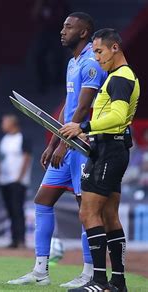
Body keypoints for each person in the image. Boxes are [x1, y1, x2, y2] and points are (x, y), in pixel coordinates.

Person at [8, 12, 107, 288]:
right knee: (42, 200)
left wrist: (63, 143)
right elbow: (68, 104)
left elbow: (83, 108)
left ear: (84, 32)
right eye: (63, 26)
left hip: (85, 146)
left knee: (86, 209)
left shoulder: (91, 62)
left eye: (68, 27)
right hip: (66, 142)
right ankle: (41, 270)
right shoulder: (73, 62)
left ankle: (89, 272)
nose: (62, 31)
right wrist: (53, 140)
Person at [60, 28, 140, 292]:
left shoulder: (120, 78)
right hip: (110, 149)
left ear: (115, 48)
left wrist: (84, 126)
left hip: (109, 150)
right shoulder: (120, 76)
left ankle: (99, 281)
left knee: (88, 212)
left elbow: (117, 117)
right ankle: (117, 282)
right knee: (108, 216)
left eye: (99, 51)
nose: (96, 58)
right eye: (93, 52)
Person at [0, 114, 32, 249]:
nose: (2, 125)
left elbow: (27, 157)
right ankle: (13, 239)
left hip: (17, 181)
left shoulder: (23, 138)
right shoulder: (4, 139)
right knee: (10, 210)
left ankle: (21, 240)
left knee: (18, 210)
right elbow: (2, 158)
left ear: (13, 123)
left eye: (5, 122)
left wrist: (20, 177)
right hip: (4, 180)